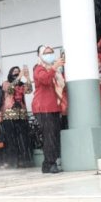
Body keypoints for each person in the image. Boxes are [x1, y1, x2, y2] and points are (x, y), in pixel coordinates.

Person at [32, 45, 64, 173]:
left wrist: (56, 68)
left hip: (53, 106)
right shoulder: (38, 68)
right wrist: (54, 67)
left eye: (51, 52)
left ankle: (48, 164)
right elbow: (45, 79)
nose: (49, 55)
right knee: (49, 136)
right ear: (40, 55)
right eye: (46, 53)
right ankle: (50, 163)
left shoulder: (55, 70)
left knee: (53, 136)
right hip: (43, 107)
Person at [2, 65, 34, 168]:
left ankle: (25, 161)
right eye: (14, 72)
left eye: (18, 71)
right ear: (10, 73)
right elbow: (10, 89)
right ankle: (13, 161)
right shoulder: (6, 83)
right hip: (9, 115)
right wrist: (19, 77)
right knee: (12, 139)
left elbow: (29, 90)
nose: (16, 73)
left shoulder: (22, 84)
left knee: (23, 139)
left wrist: (28, 77)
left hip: (22, 114)